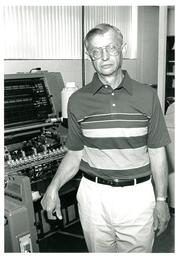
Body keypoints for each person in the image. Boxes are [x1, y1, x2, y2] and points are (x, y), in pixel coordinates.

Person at [41, 23, 171, 253]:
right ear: (89, 55)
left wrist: (161, 200)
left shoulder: (147, 96)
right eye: (96, 51)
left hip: (137, 197)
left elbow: (157, 152)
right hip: (94, 197)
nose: (104, 56)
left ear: (123, 49)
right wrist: (53, 188)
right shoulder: (78, 100)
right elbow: (74, 153)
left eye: (111, 48)